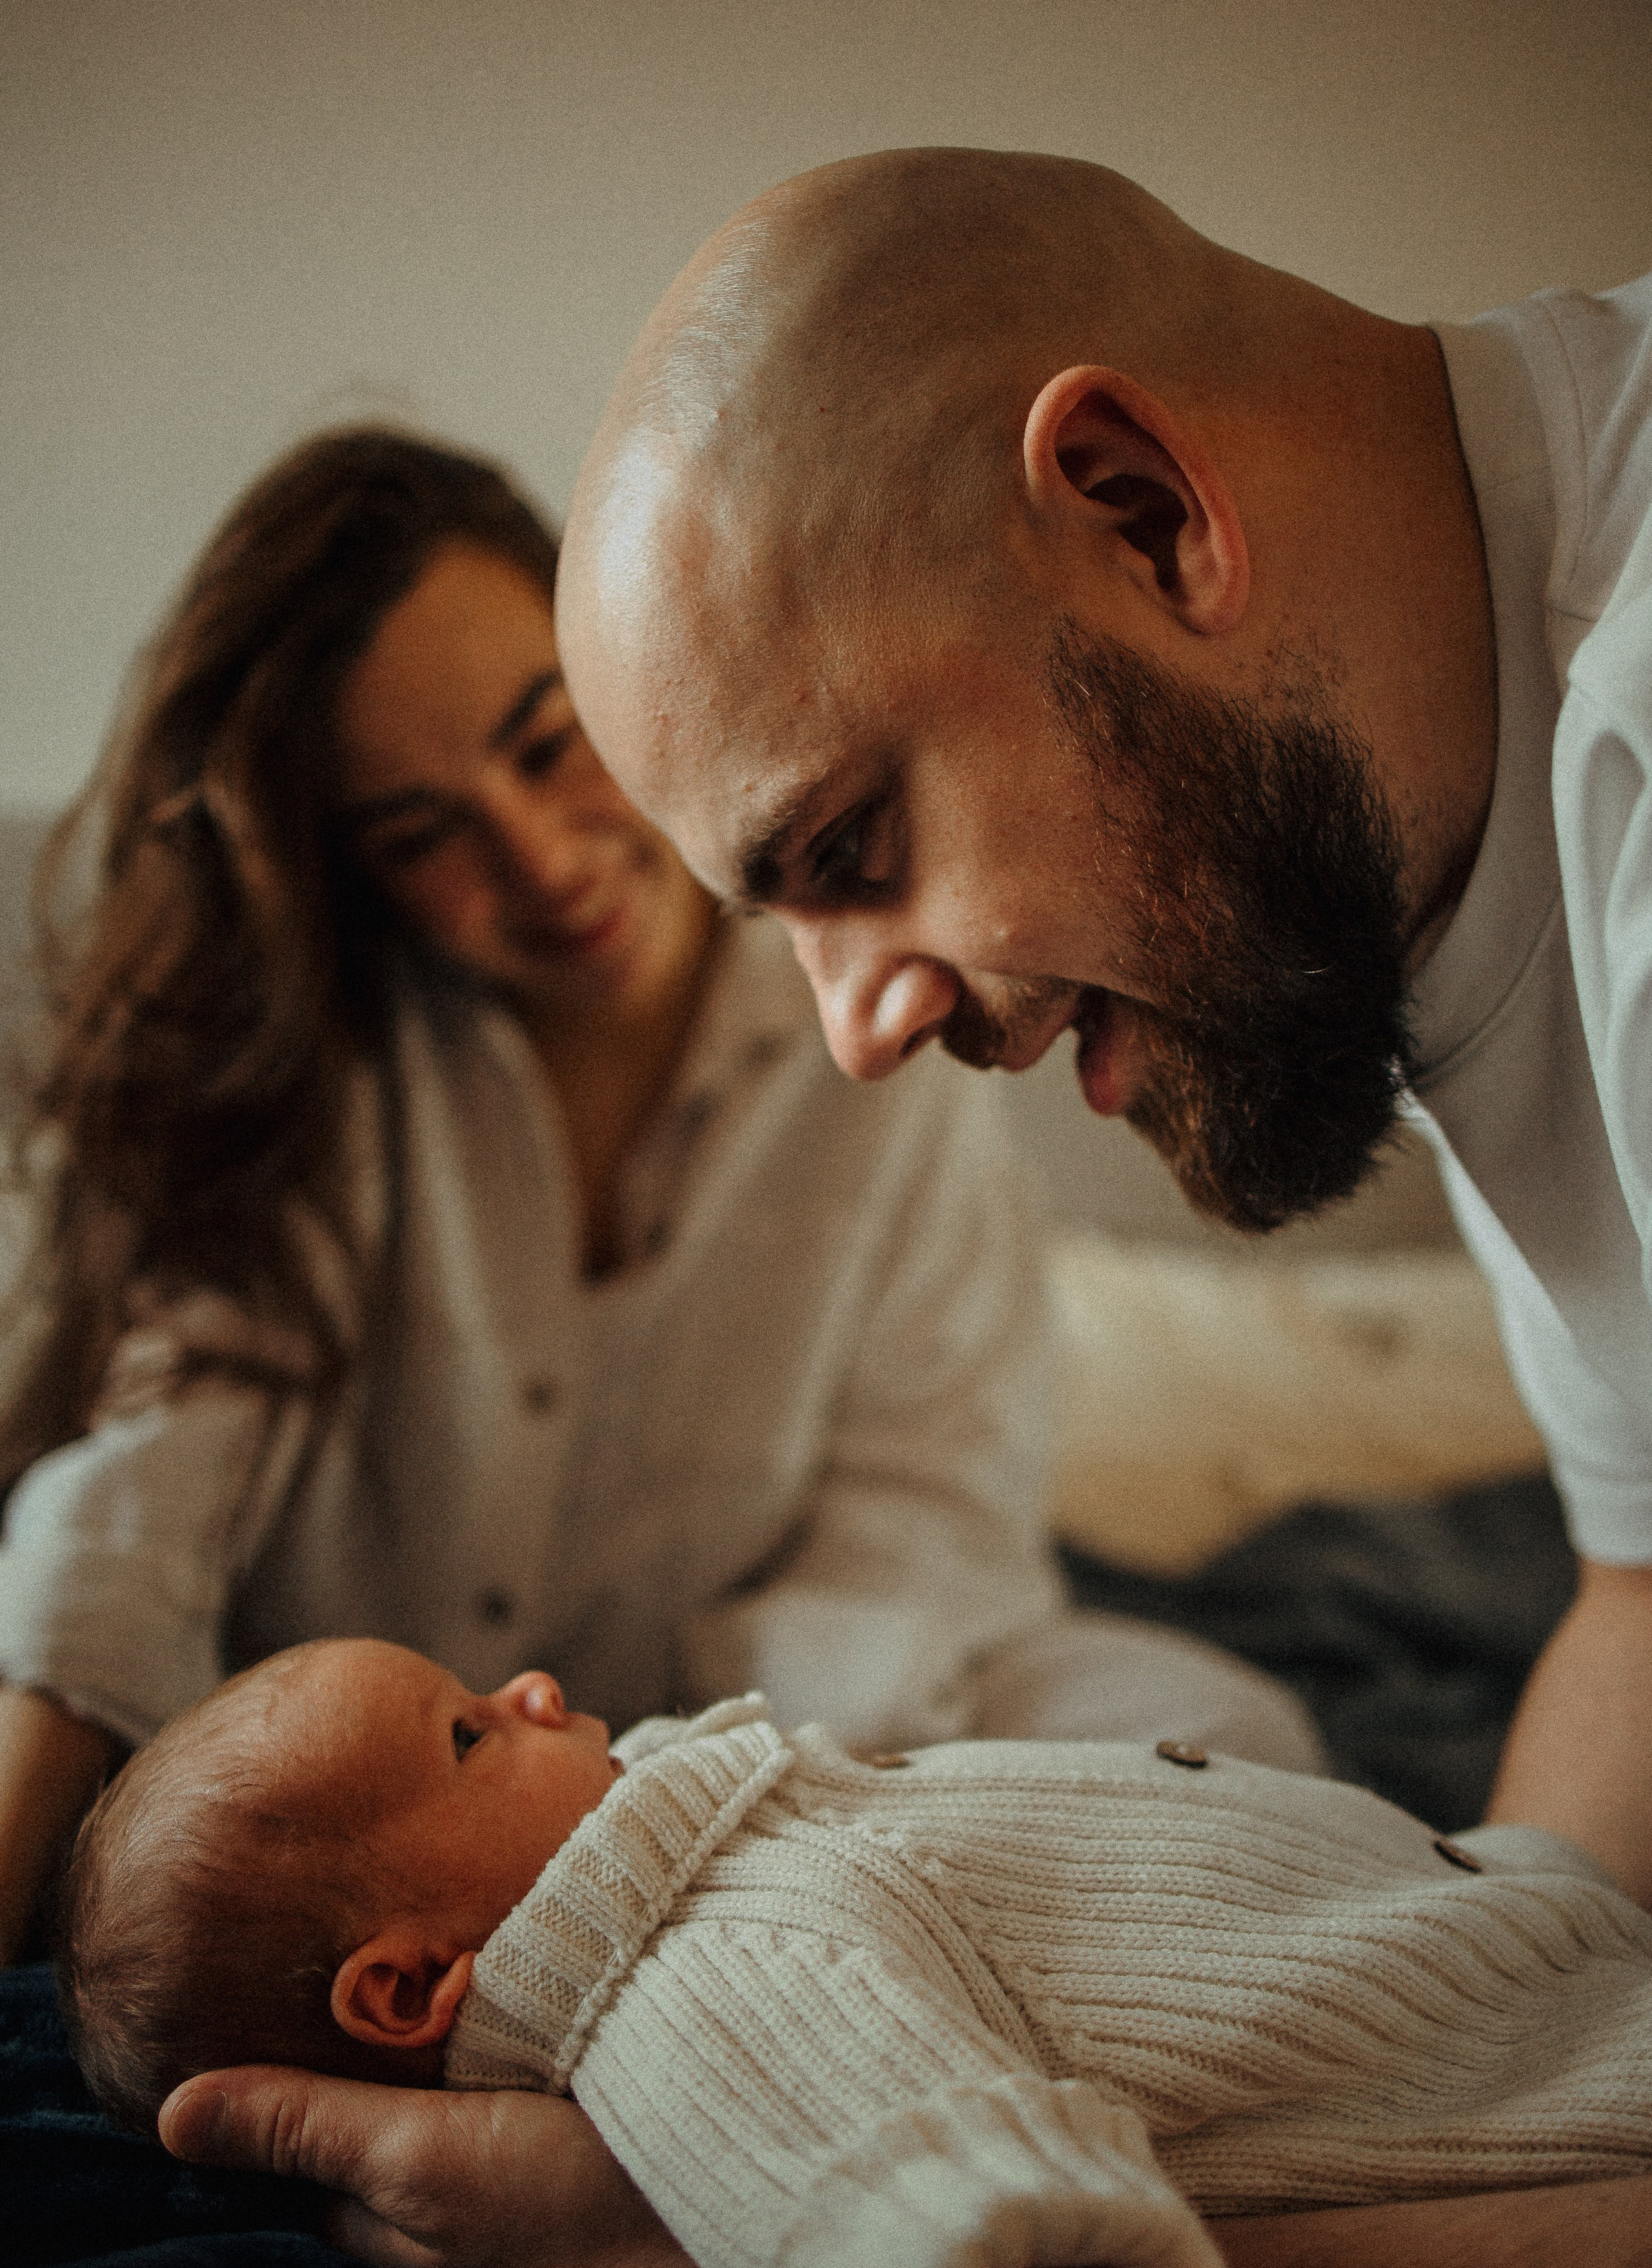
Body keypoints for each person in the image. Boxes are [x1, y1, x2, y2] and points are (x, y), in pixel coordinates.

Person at [0, 423, 1322, 1963]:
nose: (538, 858)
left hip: (747, 1743)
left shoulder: (880, 1021)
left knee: (1223, 1732)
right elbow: (135, 1512)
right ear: (345, 866)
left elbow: (920, 1525)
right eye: (420, 832)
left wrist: (653, 1804)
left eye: (548, 742)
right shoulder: (304, 1066)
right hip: (366, 1803)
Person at [552, 147, 1652, 1910]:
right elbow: (1646, 1598)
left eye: (851, 851)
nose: (860, 1037)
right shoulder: (1402, 837)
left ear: (1145, 511)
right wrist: (1437, 2037)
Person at [80, 1635, 1652, 2268]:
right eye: (468, 1736)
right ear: (409, 1987)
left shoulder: (683, 1826)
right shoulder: (695, 1989)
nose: (534, 1686)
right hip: (1523, 2087)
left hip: (1494, 1929)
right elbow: (880, 2206)